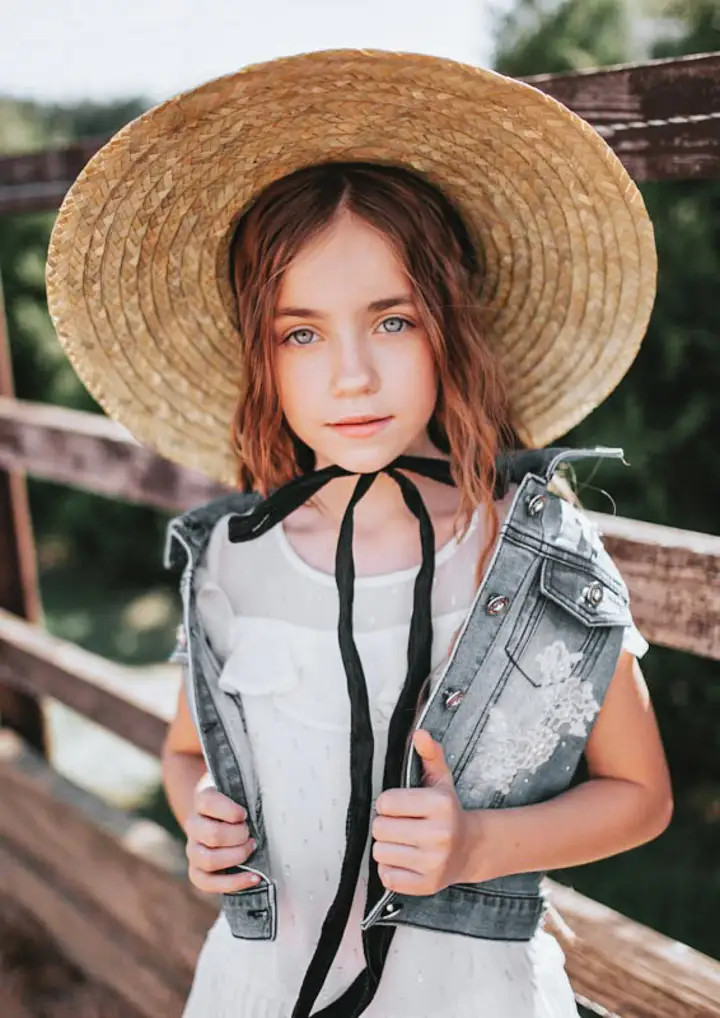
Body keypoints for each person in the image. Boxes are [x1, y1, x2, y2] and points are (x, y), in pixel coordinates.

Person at [45, 50, 672, 1018]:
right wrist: (196, 817)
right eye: (301, 332)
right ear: (261, 357)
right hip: (257, 989)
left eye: (391, 322)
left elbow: (640, 793)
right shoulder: (233, 557)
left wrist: (481, 847)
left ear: (451, 327)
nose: (350, 377)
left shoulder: (532, 560)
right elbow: (184, 752)